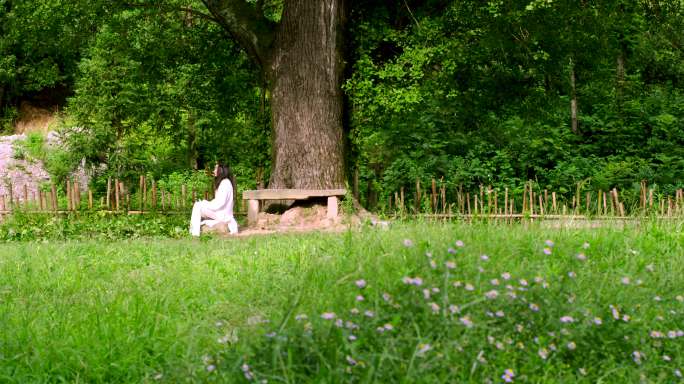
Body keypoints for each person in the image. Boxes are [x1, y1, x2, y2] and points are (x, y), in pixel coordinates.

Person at [189, 162, 238, 236]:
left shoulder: (225, 184)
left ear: (220, 171)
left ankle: (194, 233)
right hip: (222, 213)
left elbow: (219, 203)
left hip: (223, 215)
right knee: (199, 205)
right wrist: (205, 203)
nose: (214, 171)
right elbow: (218, 201)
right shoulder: (225, 182)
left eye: (215, 169)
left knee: (198, 205)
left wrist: (206, 203)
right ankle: (195, 231)